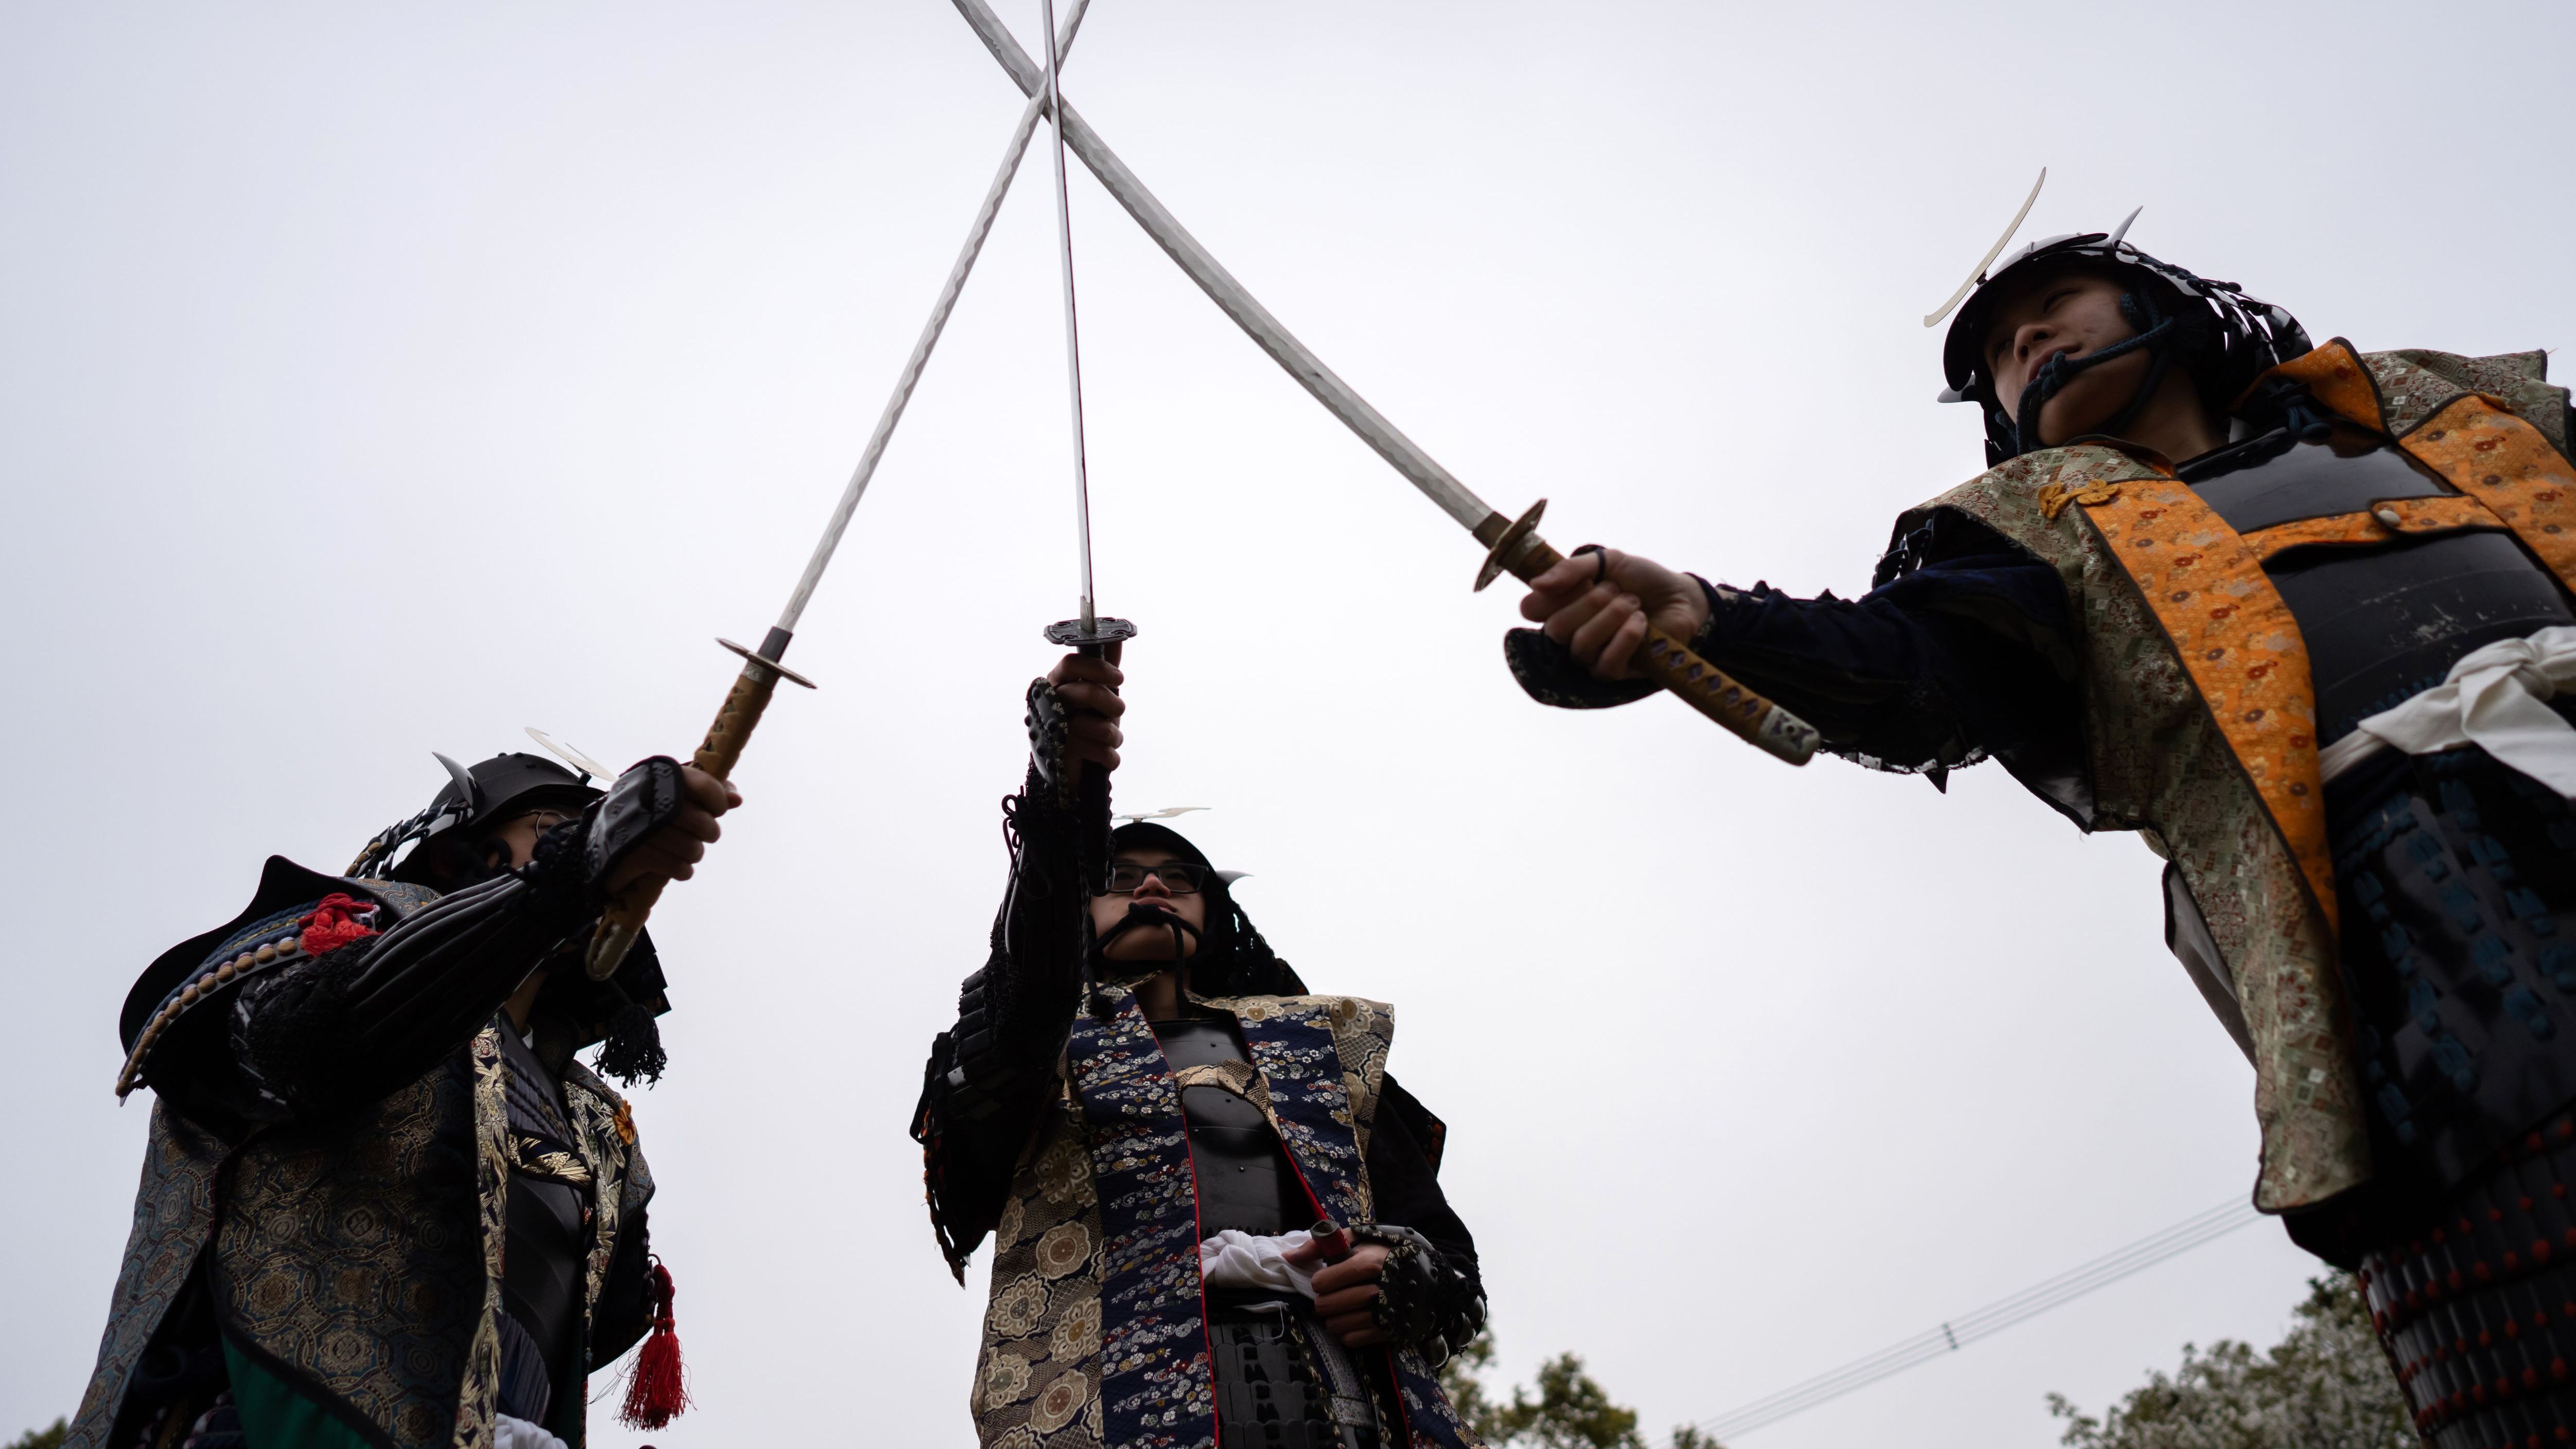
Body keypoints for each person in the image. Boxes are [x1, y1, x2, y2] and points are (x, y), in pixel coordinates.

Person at [1508, 208, 2576, 1447]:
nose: (2028, 343)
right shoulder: (2034, 532)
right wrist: (1711, 614)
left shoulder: (2444, 411)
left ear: (2171, 301)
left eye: (2055, 305)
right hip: (2420, 937)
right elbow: (1907, 665)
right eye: (2003, 355)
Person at [69, 749, 736, 1449]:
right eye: (552, 827)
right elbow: (306, 1046)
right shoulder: (337, 939)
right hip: (266, 1422)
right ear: (469, 853)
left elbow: (599, 1320)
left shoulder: (594, 1118)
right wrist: (567, 876)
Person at [913, 648, 1489, 1449]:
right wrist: (1064, 797)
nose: (1151, 887)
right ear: (1082, 906)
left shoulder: (1313, 1048)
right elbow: (1032, 979)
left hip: (1341, 1400)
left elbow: (1441, 1241)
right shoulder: (1030, 1047)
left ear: (1215, 918)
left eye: (1178, 878)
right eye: (1119, 876)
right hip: (1107, 1410)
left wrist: (1410, 1275)